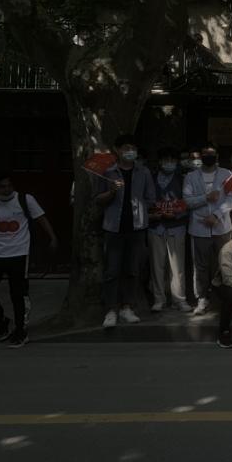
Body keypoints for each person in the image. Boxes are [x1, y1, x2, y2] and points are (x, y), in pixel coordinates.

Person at [95, 134, 156, 329]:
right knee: (112, 271)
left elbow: (151, 199)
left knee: (132, 270)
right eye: (126, 148)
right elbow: (98, 199)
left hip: (137, 229)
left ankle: (127, 307)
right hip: (114, 228)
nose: (130, 152)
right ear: (117, 149)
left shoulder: (144, 172)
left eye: (133, 148)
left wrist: (140, 210)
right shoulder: (108, 172)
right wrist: (112, 191)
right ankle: (110, 310)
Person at [0, 172, 58, 347]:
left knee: (17, 293)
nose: (7, 189)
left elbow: (41, 218)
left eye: (9, 185)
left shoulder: (24, 200)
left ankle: (20, 330)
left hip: (18, 252)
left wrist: (52, 237)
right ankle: (1, 320)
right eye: (2, 187)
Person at [184, 144, 232, 316]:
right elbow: (188, 201)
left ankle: (223, 299)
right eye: (205, 153)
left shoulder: (227, 175)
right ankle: (202, 298)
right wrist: (205, 197)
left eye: (211, 154)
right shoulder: (190, 177)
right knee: (201, 266)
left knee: (223, 264)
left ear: (217, 156)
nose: (208, 156)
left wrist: (216, 215)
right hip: (199, 228)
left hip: (222, 227)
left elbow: (231, 199)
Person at [148, 148, 191, 313]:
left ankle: (179, 299)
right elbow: (145, 200)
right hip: (156, 227)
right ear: (160, 162)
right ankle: (159, 299)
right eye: (166, 160)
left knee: (177, 266)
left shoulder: (182, 179)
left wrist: (176, 214)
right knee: (157, 265)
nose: (169, 163)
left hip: (177, 226)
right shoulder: (151, 178)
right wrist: (153, 214)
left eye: (172, 160)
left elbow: (188, 202)